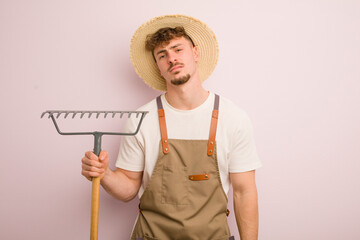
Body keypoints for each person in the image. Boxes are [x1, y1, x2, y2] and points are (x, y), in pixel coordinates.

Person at [81, 15, 262, 240]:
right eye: (162, 55)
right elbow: (128, 189)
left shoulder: (233, 118)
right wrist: (105, 174)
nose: (171, 59)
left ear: (195, 53)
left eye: (178, 49)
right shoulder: (141, 119)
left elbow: (245, 192)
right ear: (158, 67)